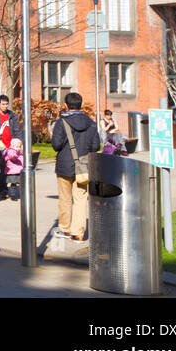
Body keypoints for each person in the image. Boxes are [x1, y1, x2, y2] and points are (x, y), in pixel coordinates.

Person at [51, 92, 99, 242]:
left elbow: (56, 145)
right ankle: (78, 232)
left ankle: (65, 228)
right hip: (84, 166)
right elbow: (96, 146)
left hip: (64, 165)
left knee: (65, 199)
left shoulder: (61, 123)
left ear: (66, 105)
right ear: (81, 105)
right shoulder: (91, 123)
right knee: (81, 199)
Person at [0, 95, 20, 199]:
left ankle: (13, 187)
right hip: (0, 146)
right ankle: (3, 189)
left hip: (11, 146)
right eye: (3, 104)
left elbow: (17, 130)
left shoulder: (12, 116)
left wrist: (19, 143)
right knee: (1, 169)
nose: (5, 106)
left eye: (7, 104)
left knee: (14, 167)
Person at [2, 136, 25, 201]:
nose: (18, 148)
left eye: (19, 147)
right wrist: (17, 154)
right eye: (17, 146)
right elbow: (12, 157)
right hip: (13, 171)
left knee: (21, 183)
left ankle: (22, 194)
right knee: (13, 184)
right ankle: (12, 195)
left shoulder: (19, 152)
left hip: (19, 170)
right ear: (12, 146)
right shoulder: (11, 151)